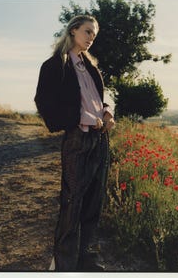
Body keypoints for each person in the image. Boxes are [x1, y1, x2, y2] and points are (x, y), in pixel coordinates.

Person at [34, 15, 115, 271]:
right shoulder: (55, 65)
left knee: (93, 204)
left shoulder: (90, 66)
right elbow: (44, 102)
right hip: (78, 140)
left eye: (94, 34)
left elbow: (102, 98)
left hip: (99, 141)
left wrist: (108, 112)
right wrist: (78, 118)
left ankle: (87, 261)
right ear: (73, 31)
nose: (91, 38)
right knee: (72, 205)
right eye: (88, 32)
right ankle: (65, 267)